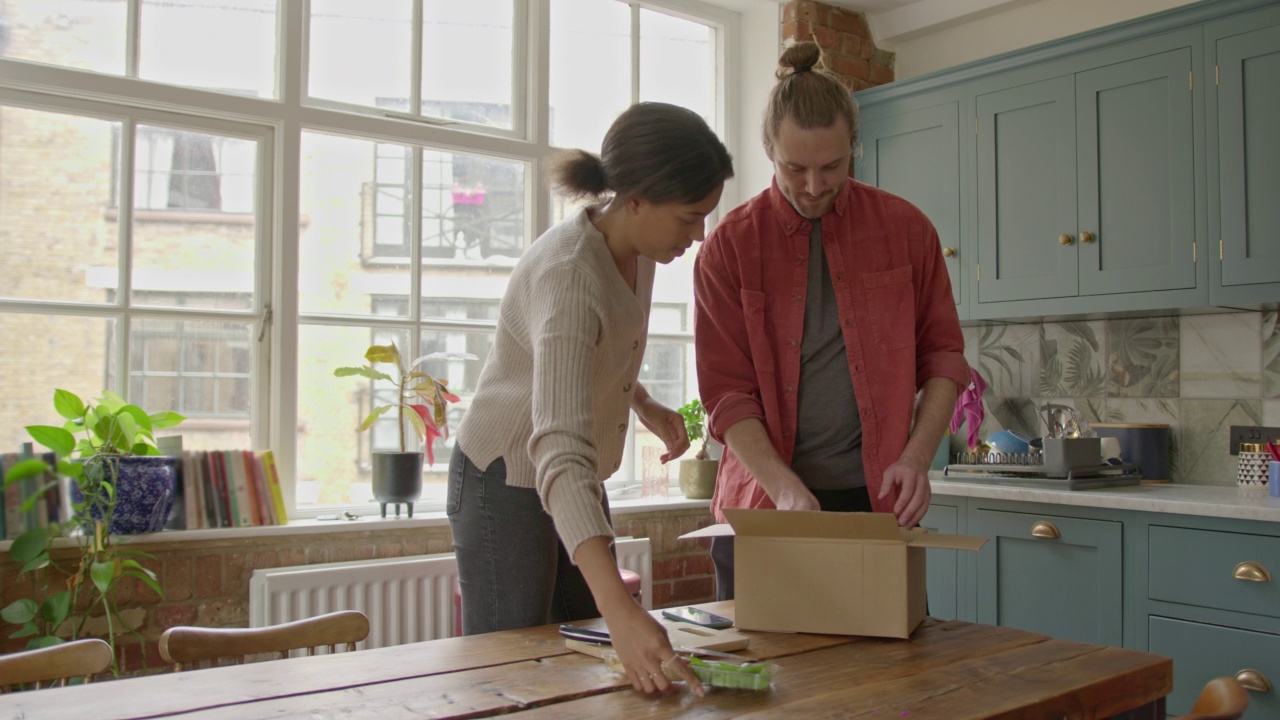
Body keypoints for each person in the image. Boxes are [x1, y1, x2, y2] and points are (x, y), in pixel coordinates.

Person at [448, 101, 734, 696]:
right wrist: (624, 612)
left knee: (578, 658)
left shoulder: (639, 248)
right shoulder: (570, 275)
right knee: (514, 673)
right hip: (506, 476)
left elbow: (586, 358)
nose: (699, 234)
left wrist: (644, 402)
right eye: (689, 218)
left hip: (565, 471)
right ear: (635, 201)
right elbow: (556, 445)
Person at [692, 41, 968, 601]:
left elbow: (943, 360)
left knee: (884, 681)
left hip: (874, 504)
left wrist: (917, 459)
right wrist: (784, 487)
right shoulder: (728, 248)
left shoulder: (908, 231)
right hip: (766, 505)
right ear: (768, 148)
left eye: (832, 167)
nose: (814, 187)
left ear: (854, 149)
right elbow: (727, 396)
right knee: (760, 680)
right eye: (795, 168)